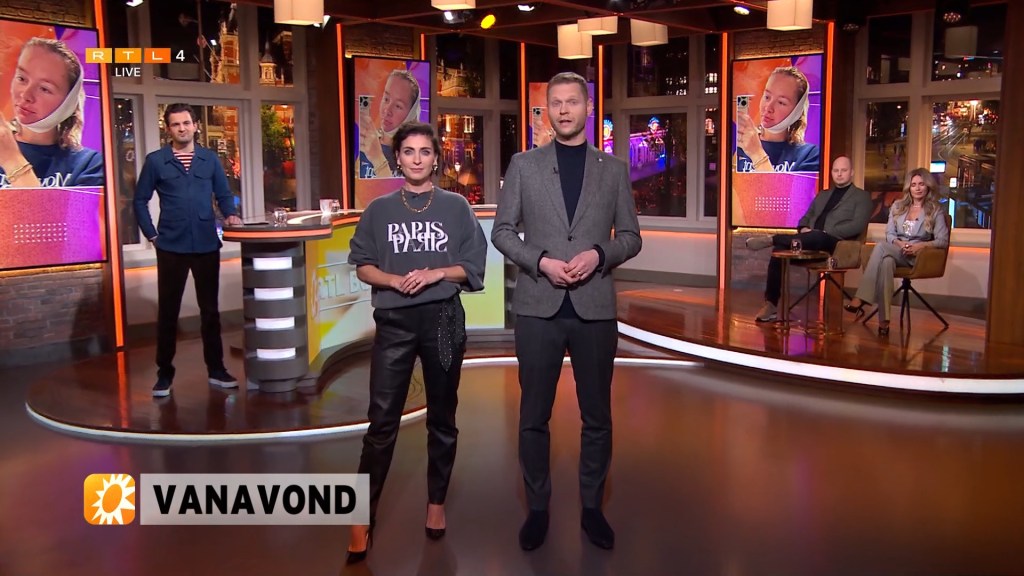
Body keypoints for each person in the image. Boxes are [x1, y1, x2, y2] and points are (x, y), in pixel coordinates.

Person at [492, 72, 642, 552]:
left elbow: (632, 237)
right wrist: (540, 262)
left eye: (571, 102)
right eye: (554, 103)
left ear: (587, 107)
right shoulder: (524, 165)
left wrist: (600, 254)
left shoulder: (613, 169)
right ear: (546, 110)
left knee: (597, 416)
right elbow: (502, 231)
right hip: (539, 306)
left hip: (594, 308)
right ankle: (537, 508)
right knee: (533, 415)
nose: (562, 110)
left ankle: (592, 508)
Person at [346, 121, 487, 564]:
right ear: (398, 158)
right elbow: (362, 264)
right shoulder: (379, 210)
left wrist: (435, 273)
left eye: (425, 151)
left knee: (442, 417)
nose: (417, 159)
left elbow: (472, 264)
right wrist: (393, 280)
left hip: (443, 319)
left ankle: (436, 502)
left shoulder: (456, 207)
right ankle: (361, 517)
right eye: (409, 151)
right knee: (381, 422)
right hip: (394, 321)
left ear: (436, 158)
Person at [133, 103, 242, 397]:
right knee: (168, 312)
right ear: (168, 128)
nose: (182, 128)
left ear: (195, 126)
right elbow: (140, 200)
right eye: (175, 124)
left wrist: (231, 214)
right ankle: (164, 374)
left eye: (186, 123)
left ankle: (217, 370)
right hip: (171, 246)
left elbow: (223, 194)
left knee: (210, 312)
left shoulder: (210, 160)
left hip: (206, 243)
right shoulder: (156, 161)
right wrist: (152, 235)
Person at [746, 156, 871, 322]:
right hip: (810, 240)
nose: (839, 174)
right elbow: (806, 217)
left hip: (838, 244)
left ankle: (774, 238)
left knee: (818, 235)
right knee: (778, 252)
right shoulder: (823, 195)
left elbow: (857, 226)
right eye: (836, 170)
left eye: (844, 170)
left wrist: (824, 232)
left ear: (852, 172)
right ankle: (771, 304)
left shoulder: (862, 197)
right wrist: (804, 228)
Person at [845, 168, 949, 335]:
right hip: (898, 251)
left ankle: (862, 297)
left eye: (921, 184)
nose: (917, 188)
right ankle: (884, 322)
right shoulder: (898, 206)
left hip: (917, 257)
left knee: (880, 247)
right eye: (913, 185)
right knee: (886, 262)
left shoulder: (935, 210)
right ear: (909, 187)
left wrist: (919, 246)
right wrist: (899, 244)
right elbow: (890, 234)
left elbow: (942, 241)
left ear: (928, 186)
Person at [0, 37, 103, 188]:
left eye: (44, 88)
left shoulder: (89, 165)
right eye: (21, 78)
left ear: (68, 102)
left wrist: (12, 161)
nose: (25, 95)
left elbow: (40, 206)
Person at [736, 66, 819, 173]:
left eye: (781, 102)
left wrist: (757, 154)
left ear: (797, 111)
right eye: (767, 97)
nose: (768, 108)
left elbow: (775, 185)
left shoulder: (809, 155)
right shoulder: (740, 146)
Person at [357, 68, 422, 178]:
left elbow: (404, 189)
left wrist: (377, 158)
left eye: (398, 106)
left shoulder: (415, 157)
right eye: (386, 99)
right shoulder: (365, 143)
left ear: (411, 114)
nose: (387, 110)